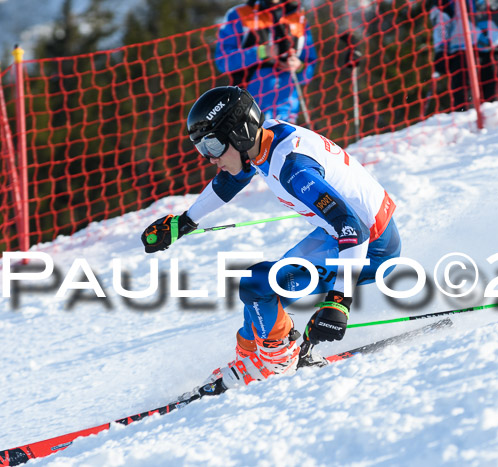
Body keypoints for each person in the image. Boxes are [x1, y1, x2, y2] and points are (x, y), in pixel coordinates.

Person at [141, 86, 400, 394]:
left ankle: (277, 360)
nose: (209, 158)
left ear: (238, 134)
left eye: (212, 145)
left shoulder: (294, 170)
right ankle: (253, 356)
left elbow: (352, 230)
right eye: (202, 149)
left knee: (257, 284)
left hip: (371, 248)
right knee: (259, 292)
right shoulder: (265, 139)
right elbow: (233, 177)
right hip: (343, 235)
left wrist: (339, 302)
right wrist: (185, 221)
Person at [214, 0, 317, 123]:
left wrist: (298, 66)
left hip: (286, 112)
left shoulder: (299, 17)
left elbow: (309, 69)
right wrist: (261, 52)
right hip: (247, 109)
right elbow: (223, 61)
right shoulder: (240, 14)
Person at [427, 0, 498, 108]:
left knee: (494, 105)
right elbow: (441, 19)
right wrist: (441, 49)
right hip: (463, 48)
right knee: (464, 103)